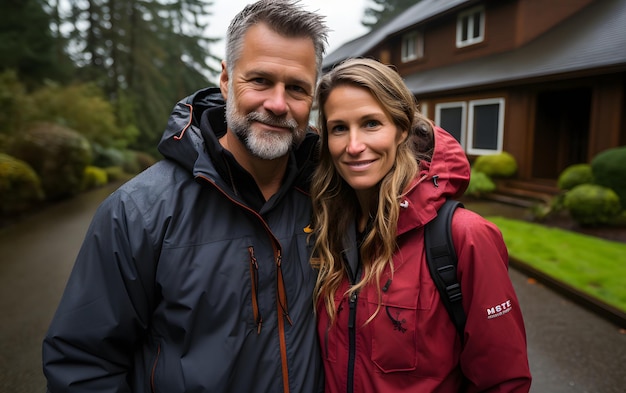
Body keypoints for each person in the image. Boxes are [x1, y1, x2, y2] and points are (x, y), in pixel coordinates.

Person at [42, 1, 329, 392]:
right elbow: (84, 364)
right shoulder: (138, 212)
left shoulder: (330, 198)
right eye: (260, 80)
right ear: (226, 80)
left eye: (296, 87)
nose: (278, 104)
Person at [309, 58, 532, 392]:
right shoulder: (326, 231)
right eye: (339, 128)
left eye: (371, 123)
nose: (353, 146)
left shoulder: (464, 237)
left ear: (402, 129)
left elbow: (503, 381)